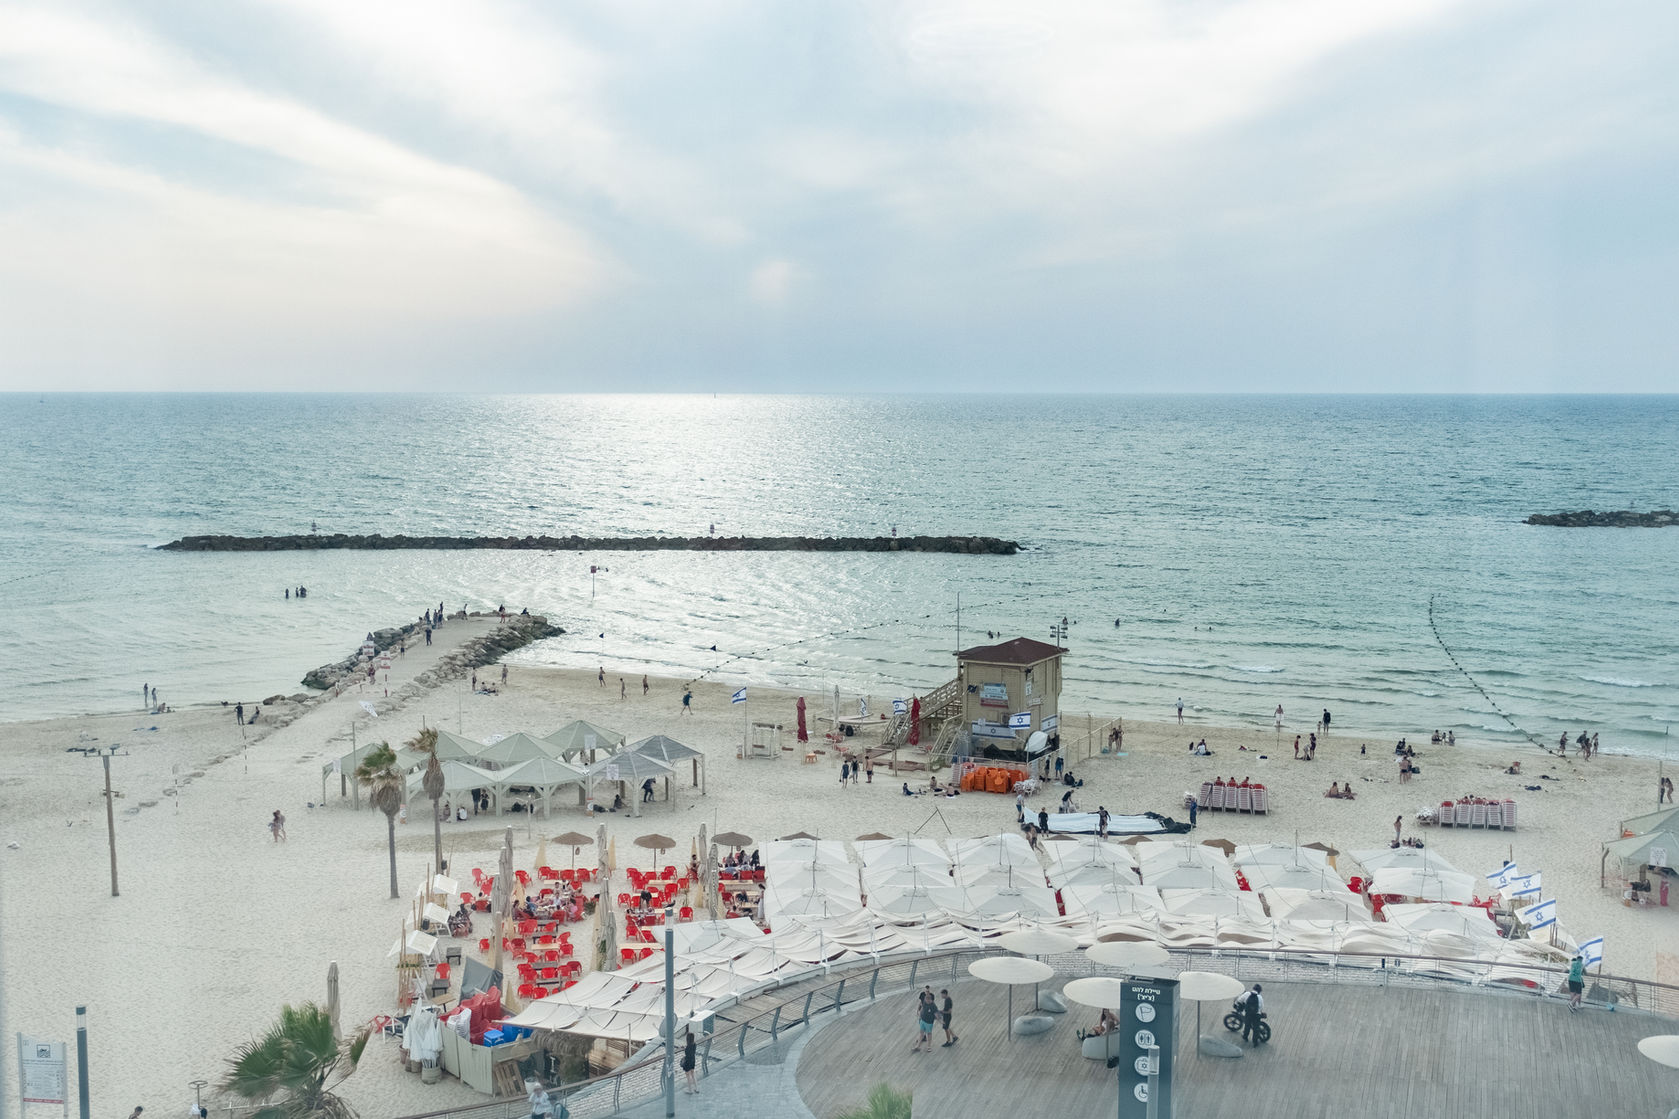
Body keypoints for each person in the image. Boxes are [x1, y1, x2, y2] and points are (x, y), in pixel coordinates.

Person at [681, 1028, 699, 1093]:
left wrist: (684, 1048)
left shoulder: (688, 1047)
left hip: (688, 1062)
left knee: (688, 1076)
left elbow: (687, 1053)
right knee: (693, 1074)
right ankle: (696, 1088)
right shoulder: (694, 1044)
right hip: (693, 1060)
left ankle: (690, 1090)